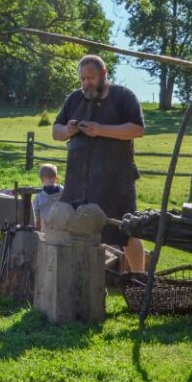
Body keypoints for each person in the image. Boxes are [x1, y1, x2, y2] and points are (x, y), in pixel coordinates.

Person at [52, 55, 146, 272]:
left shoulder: (123, 96)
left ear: (104, 73)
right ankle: (86, 279)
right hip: (78, 181)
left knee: (127, 232)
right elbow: (56, 131)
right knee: (80, 231)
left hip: (116, 181)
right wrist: (69, 130)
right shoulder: (74, 99)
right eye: (83, 79)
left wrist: (100, 129)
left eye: (91, 78)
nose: (86, 83)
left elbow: (137, 129)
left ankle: (140, 282)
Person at [33, 163, 64, 231]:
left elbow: (35, 211)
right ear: (56, 178)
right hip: (59, 226)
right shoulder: (62, 190)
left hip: (44, 227)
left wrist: (37, 224)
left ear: (41, 179)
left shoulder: (39, 194)